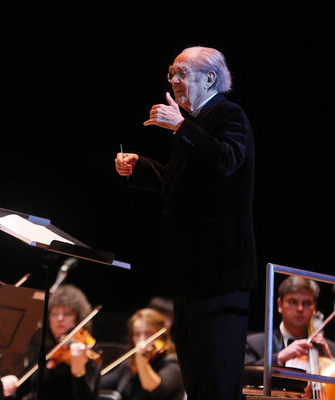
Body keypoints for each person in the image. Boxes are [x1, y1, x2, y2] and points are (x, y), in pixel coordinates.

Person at [114, 46, 257, 400]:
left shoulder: (229, 115)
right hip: (190, 277)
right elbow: (182, 185)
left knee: (217, 386)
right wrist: (141, 167)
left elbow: (226, 161)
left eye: (182, 73)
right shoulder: (194, 127)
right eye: (172, 73)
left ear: (210, 78)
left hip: (219, 276)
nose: (175, 81)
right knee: (197, 385)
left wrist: (180, 125)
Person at [0, 284, 101, 400]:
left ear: (78, 318)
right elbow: (20, 390)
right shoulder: (48, 351)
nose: (59, 319)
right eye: (54, 314)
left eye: (67, 314)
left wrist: (78, 371)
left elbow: (86, 397)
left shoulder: (88, 350)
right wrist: (8, 385)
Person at [99, 308, 184, 400]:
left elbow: (156, 390)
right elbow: (100, 385)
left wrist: (141, 360)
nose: (142, 340)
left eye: (148, 334)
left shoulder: (173, 363)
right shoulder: (129, 366)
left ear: (160, 335)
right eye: (137, 334)